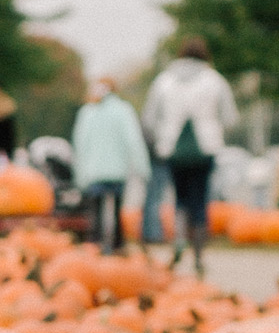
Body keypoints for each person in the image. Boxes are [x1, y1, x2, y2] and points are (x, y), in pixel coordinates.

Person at [142, 37, 238, 270]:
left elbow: (149, 118)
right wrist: (211, 126)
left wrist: (164, 134)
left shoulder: (164, 81)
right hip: (205, 149)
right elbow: (230, 118)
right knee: (200, 198)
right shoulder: (215, 81)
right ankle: (198, 250)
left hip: (173, 149)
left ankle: (179, 241)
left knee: (179, 199)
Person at [70, 77, 149, 254]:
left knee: (96, 212)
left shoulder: (87, 112)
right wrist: (143, 168)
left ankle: (96, 247)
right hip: (117, 171)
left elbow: (80, 144)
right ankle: (117, 246)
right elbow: (133, 141)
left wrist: (79, 174)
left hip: (94, 172)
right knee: (116, 211)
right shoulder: (123, 110)